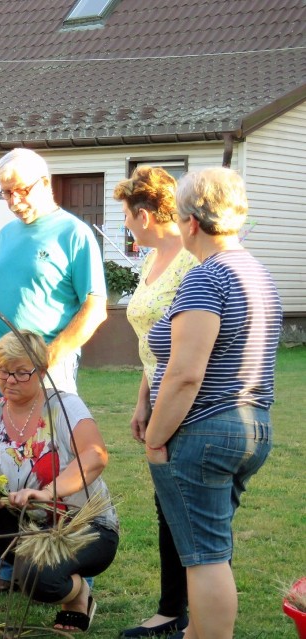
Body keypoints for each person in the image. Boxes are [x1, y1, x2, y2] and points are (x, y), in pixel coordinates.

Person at [0, 148, 108, 594]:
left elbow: (94, 307)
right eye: (4, 193)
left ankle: (64, 564)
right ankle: (8, 569)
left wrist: (56, 356)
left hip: (43, 370)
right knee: (5, 460)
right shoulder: (6, 235)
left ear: (44, 182)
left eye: (19, 190)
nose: (12, 200)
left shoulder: (74, 234)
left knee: (52, 461)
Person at [144, 168, 281, 639]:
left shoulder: (208, 277)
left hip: (204, 430)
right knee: (210, 550)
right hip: (251, 426)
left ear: (191, 224)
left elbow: (185, 375)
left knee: (204, 557)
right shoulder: (258, 273)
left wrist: (156, 438)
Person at [0, 331, 119, 632]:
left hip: (82, 527)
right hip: (25, 524)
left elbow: (95, 456)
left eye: (21, 372)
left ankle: (77, 594)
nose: (10, 380)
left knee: (36, 578)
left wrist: (47, 493)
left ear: (41, 371)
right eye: (3, 371)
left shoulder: (64, 407)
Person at [114, 167, 197, 638]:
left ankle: (183, 612)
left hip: (187, 397)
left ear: (144, 215)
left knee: (183, 505)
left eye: (126, 216)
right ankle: (174, 609)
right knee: (166, 505)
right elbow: (152, 340)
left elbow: (186, 345)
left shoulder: (190, 260)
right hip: (158, 390)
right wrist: (141, 400)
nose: (126, 225)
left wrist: (163, 403)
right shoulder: (150, 261)